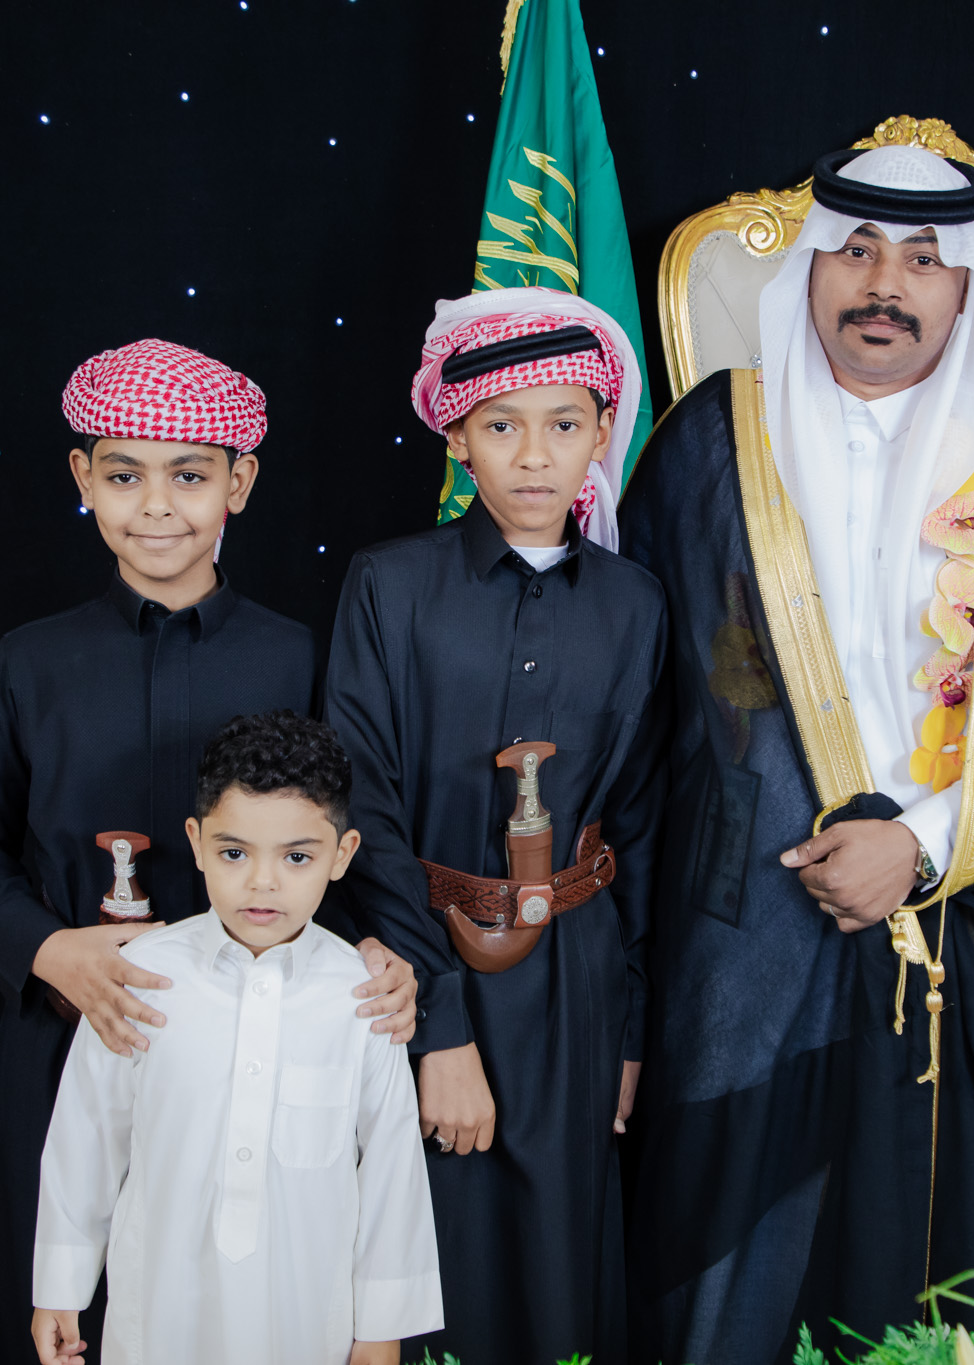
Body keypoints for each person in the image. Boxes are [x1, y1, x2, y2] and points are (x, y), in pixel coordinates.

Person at [615, 143, 974, 1362]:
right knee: (729, 1263)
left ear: (963, 288)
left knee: (929, 1258)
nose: (882, 284)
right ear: (809, 268)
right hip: (741, 927)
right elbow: (646, 709)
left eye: (922, 260)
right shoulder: (706, 443)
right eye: (853, 250)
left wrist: (923, 845)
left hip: (965, 922)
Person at [0, 338, 419, 1363]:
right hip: (69, 1025)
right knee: (49, 1294)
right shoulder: (30, 662)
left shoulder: (299, 654)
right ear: (83, 479)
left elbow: (353, 825)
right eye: (124, 476)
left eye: (189, 476)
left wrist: (385, 944)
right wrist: (50, 952)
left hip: (258, 1033)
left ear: (238, 484)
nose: (156, 507)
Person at [323, 287, 666, 1364]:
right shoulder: (388, 586)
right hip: (422, 968)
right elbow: (362, 811)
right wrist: (441, 1030)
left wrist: (628, 1035)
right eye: (501, 426)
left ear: (601, 435)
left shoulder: (637, 603)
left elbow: (639, 821)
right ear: (456, 437)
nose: (533, 455)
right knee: (435, 1260)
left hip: (578, 982)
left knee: (564, 1267)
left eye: (563, 424)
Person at [31, 711, 441, 1365]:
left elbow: (393, 1170)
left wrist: (381, 1328)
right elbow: (85, 1135)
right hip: (159, 1316)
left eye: (297, 856)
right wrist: (60, 1284)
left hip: (308, 1321)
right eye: (234, 852)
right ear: (196, 844)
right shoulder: (138, 976)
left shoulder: (364, 996)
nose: (262, 881)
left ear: (342, 854)